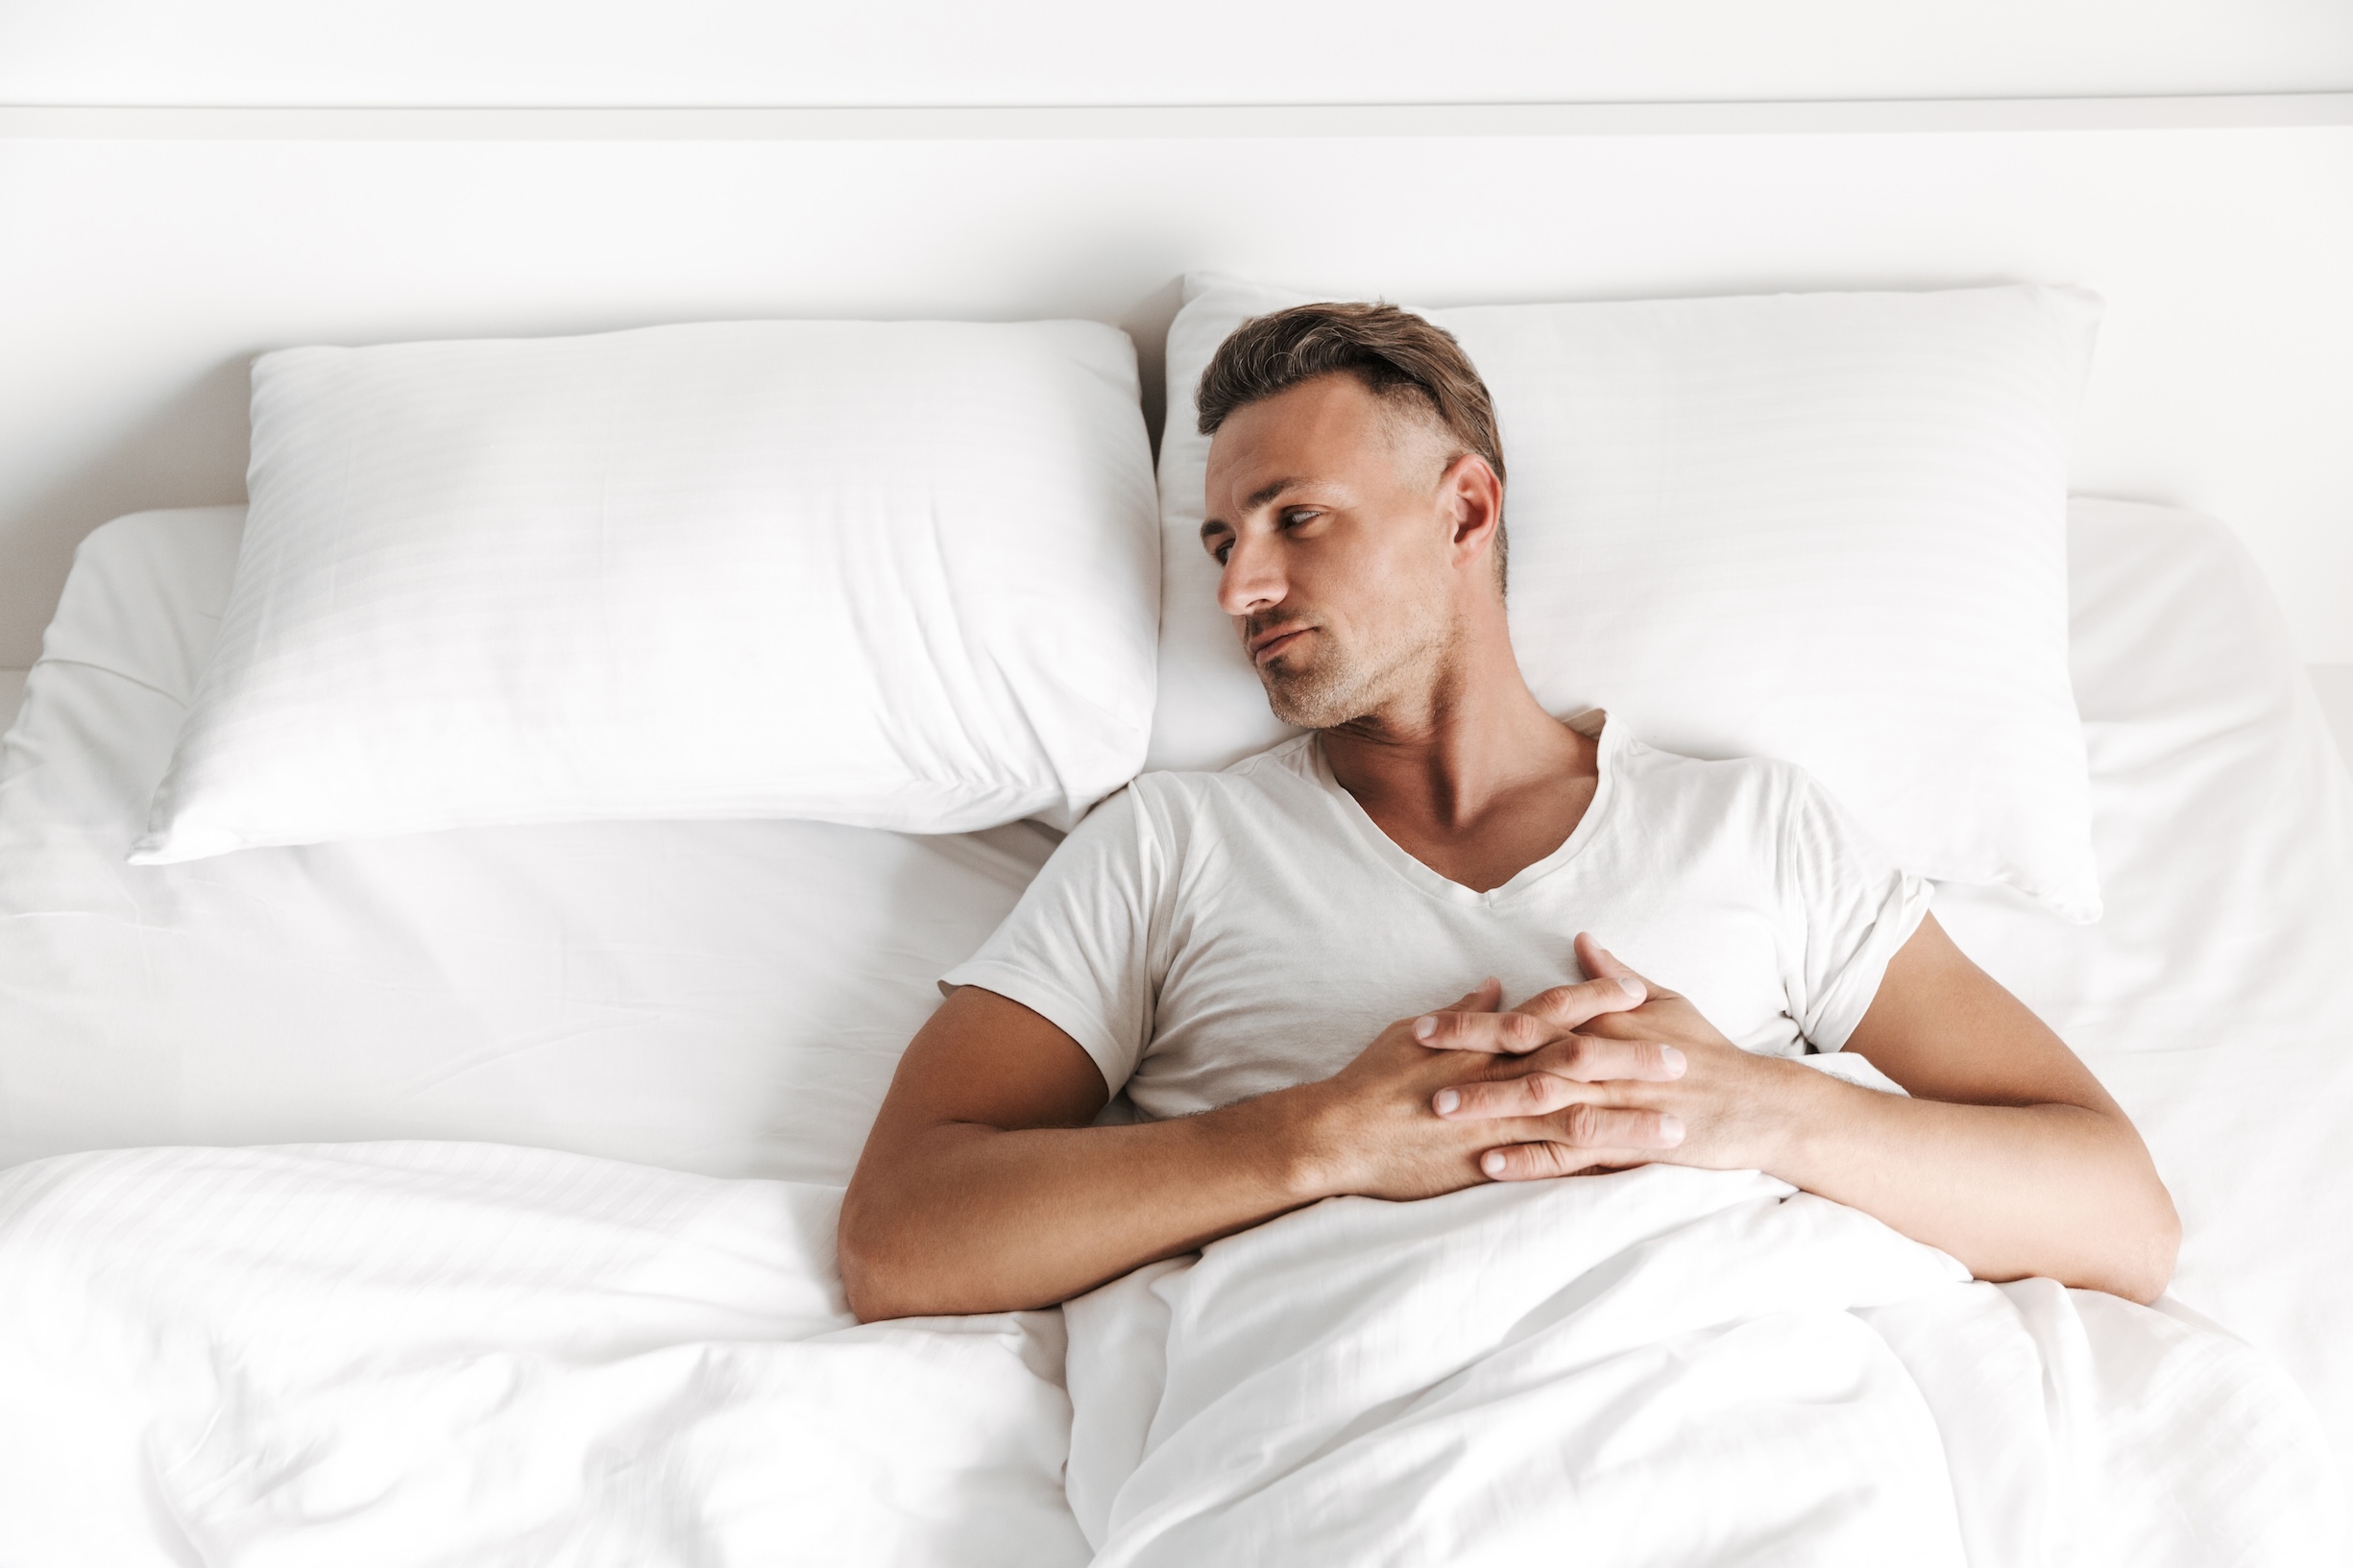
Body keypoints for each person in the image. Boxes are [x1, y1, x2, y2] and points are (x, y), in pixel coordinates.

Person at [837, 302, 2179, 1323]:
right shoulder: (1166, 846)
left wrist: (1748, 1110)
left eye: (1293, 517)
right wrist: (1314, 1138)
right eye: (1217, 541)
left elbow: (2119, 1215)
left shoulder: (1750, 828)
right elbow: (898, 1238)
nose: (1241, 583)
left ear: (1465, 507)